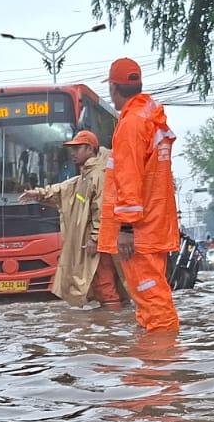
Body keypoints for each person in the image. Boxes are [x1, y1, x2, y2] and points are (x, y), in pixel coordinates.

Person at [99, 58, 181, 333]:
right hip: (154, 224)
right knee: (151, 300)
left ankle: (160, 365)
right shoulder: (150, 118)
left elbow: (129, 178)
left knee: (152, 302)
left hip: (139, 231)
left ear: (113, 88)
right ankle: (151, 366)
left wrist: (125, 227)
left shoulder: (132, 124)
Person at [19, 130, 124, 309]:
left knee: (105, 286)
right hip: (97, 242)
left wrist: (94, 238)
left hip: (100, 244)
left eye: (77, 149)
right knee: (101, 286)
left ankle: (112, 325)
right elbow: (64, 189)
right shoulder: (86, 175)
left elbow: (102, 208)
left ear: (90, 148)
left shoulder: (99, 174)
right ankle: (109, 328)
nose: (73, 154)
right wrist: (38, 193)